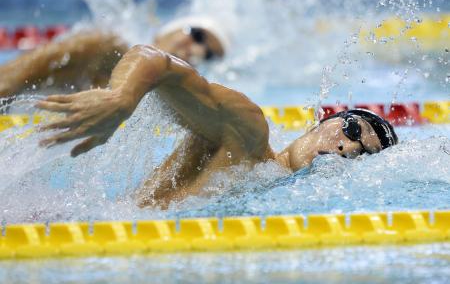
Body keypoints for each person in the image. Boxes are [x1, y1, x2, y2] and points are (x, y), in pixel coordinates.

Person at [35, 44, 398, 209]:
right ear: (324, 120)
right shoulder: (248, 131)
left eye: (361, 154)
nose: (348, 148)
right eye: (352, 130)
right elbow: (155, 59)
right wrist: (121, 99)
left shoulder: (271, 187)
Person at [0, 17, 228, 98]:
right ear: (168, 29)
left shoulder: (159, 93)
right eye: (197, 35)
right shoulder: (107, 47)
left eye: (208, 55)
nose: (196, 50)